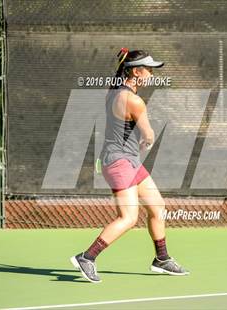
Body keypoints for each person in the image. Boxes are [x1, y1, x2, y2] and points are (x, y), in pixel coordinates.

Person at [70, 48, 189, 283]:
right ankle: (87, 257)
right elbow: (149, 134)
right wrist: (148, 139)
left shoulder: (114, 90)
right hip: (119, 162)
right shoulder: (134, 100)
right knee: (128, 217)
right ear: (136, 71)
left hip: (129, 160)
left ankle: (162, 259)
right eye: (149, 70)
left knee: (157, 206)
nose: (152, 75)